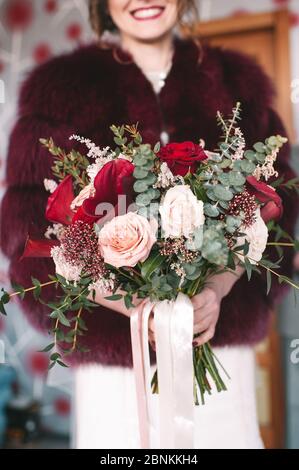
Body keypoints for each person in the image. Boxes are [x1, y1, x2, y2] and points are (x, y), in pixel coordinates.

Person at [1, 0, 298, 449]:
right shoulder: (58, 91)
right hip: (114, 370)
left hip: (219, 352)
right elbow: (29, 237)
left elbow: (278, 213)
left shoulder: (239, 85)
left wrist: (216, 288)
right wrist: (135, 307)